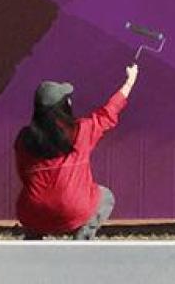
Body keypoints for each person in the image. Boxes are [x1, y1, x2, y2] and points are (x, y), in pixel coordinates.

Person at [15, 64, 139, 240]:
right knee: (106, 197)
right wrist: (130, 81)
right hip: (74, 211)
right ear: (64, 106)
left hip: (33, 213)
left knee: (35, 204)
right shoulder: (81, 131)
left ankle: (32, 244)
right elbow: (107, 113)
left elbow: (24, 176)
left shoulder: (24, 139)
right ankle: (83, 240)